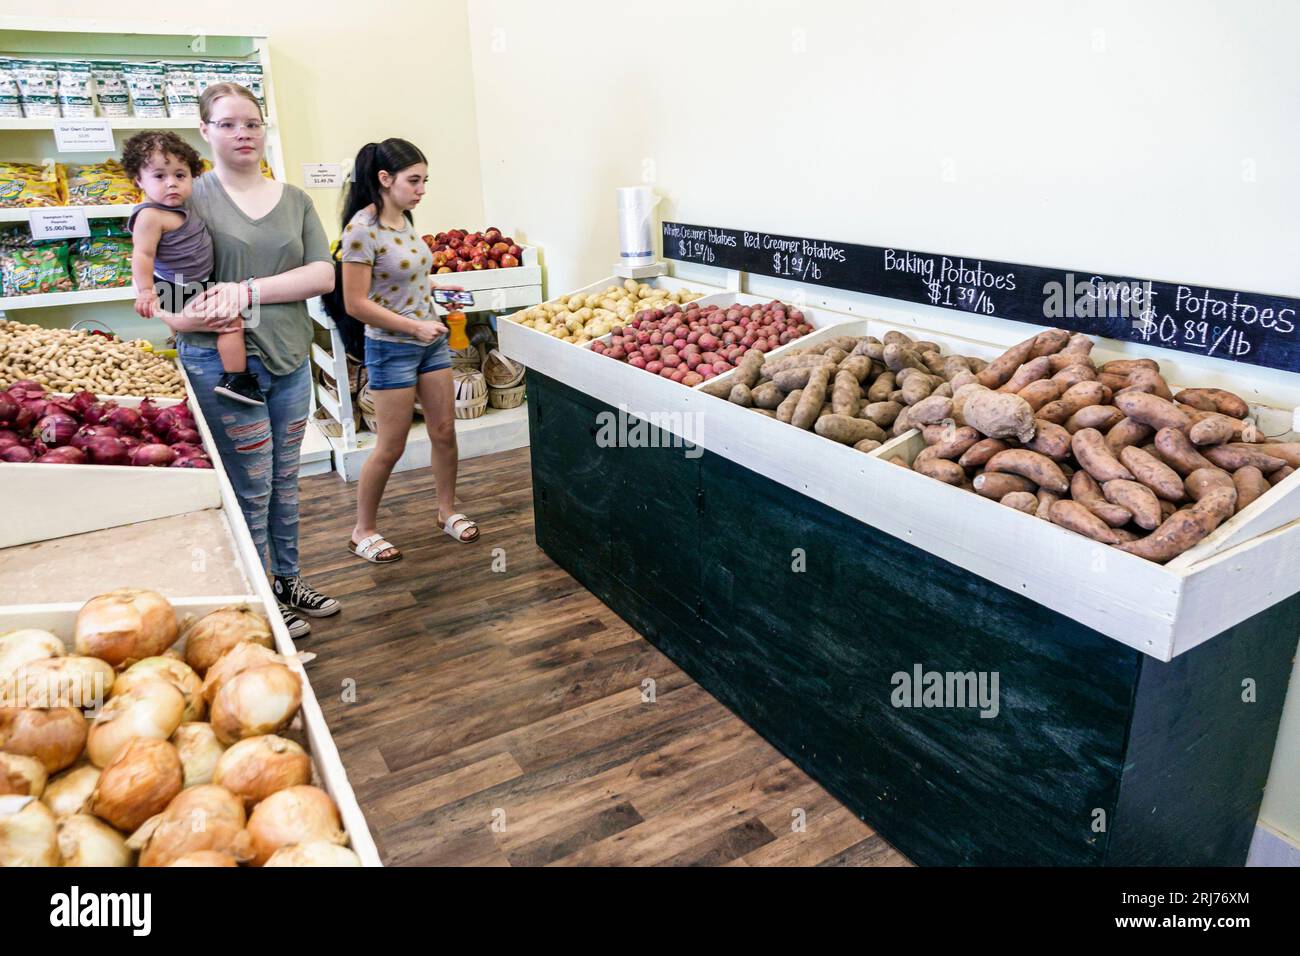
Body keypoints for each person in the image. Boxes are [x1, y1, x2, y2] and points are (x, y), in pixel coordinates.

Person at [156, 81, 340, 640]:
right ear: (205, 131)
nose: (243, 134)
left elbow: (323, 274)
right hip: (222, 369)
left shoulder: (295, 200)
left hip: (289, 360)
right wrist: (191, 314)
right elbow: (168, 301)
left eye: (253, 123)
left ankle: (288, 580)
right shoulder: (188, 198)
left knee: (285, 480)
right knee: (251, 486)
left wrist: (246, 291)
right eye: (228, 124)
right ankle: (257, 599)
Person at [339, 138, 480, 563]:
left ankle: (446, 511)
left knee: (445, 431)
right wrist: (413, 326)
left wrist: (436, 287)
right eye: (414, 181)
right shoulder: (361, 230)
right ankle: (362, 531)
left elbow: (404, 276)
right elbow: (355, 303)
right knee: (391, 445)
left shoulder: (404, 220)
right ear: (385, 179)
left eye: (425, 181)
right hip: (391, 348)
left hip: (429, 343)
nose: (422, 190)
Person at [123, 130, 264, 406]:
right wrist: (146, 291)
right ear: (139, 180)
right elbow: (142, 255)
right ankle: (237, 379)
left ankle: (182, 341)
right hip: (178, 285)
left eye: (180, 175)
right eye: (159, 176)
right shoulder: (150, 216)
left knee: (217, 319)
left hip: (193, 281)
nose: (172, 184)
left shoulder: (180, 207)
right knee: (230, 322)